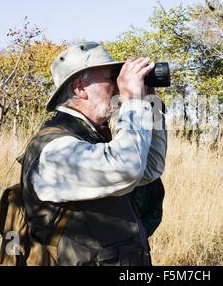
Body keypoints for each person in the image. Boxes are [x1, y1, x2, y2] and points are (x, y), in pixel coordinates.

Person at [19, 41, 167, 266]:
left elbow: (150, 167)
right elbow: (126, 168)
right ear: (80, 88)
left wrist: (149, 102)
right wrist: (133, 103)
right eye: (112, 78)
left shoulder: (92, 137)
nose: (119, 86)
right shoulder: (54, 149)